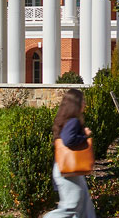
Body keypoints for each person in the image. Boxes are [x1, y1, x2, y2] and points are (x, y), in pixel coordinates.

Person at [46, 87, 97, 218]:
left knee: (84, 204)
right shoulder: (73, 121)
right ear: (76, 104)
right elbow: (68, 140)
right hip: (69, 169)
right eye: (82, 100)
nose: (85, 103)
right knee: (71, 205)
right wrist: (85, 136)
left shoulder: (68, 120)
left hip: (71, 169)